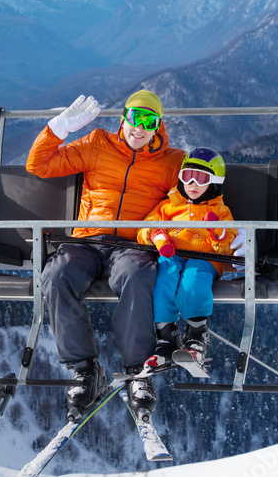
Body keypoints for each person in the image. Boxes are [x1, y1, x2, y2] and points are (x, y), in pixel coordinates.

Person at [26, 90, 184, 421]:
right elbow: (38, 164)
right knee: (55, 276)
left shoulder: (172, 162)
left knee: (137, 275)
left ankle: (138, 370)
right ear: (123, 118)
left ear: (158, 127)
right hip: (87, 239)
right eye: (134, 118)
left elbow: (187, 202)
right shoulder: (98, 144)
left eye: (149, 121)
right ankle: (84, 370)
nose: (139, 128)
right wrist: (58, 129)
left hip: (132, 244)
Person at [137, 147, 238, 370]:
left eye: (201, 178)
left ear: (213, 182)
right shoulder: (169, 206)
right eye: (187, 176)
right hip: (172, 255)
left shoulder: (220, 211)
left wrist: (218, 236)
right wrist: (155, 235)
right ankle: (166, 335)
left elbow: (228, 243)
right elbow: (145, 227)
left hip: (204, 258)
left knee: (193, 280)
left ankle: (196, 334)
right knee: (163, 279)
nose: (192, 184)